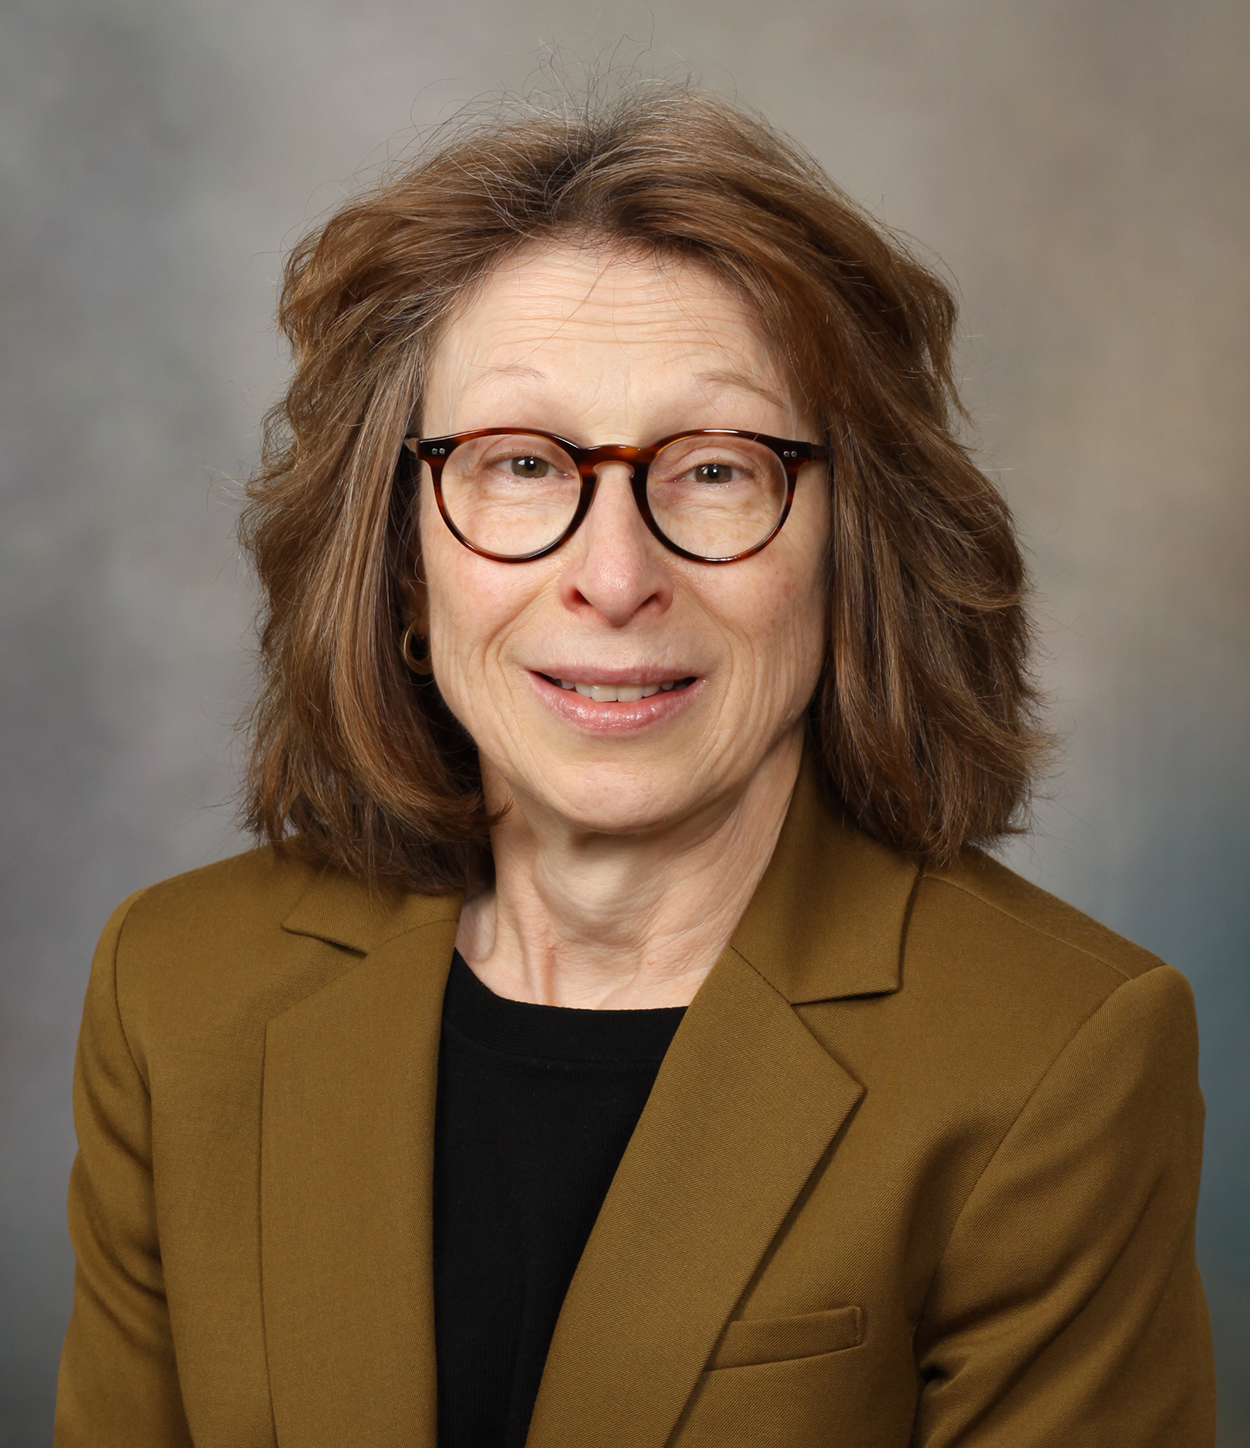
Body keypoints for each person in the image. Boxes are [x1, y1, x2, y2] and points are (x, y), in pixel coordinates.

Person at [54, 84, 1216, 1448]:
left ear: (852, 558)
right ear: (402, 565)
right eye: (519, 466)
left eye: (716, 470)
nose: (613, 577)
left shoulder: (1054, 1057)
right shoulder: (178, 991)